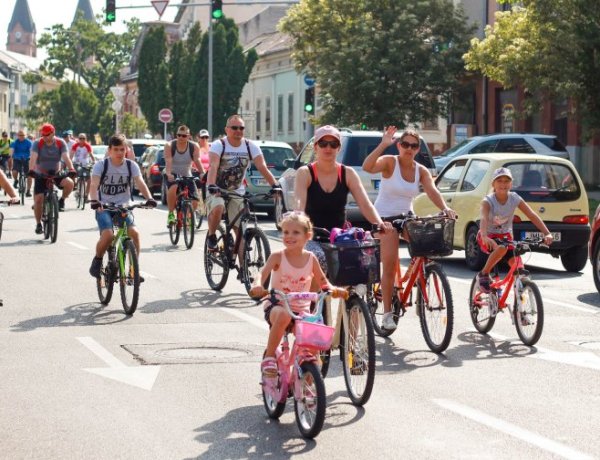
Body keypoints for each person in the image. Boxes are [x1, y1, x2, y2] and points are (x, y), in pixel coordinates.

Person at [362, 126, 457, 330]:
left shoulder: (420, 171)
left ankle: (418, 273)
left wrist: (445, 208)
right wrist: (383, 144)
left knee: (426, 244)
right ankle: (387, 314)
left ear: (418, 149)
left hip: (406, 217)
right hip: (384, 218)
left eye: (414, 146)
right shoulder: (390, 162)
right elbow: (368, 167)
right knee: (388, 263)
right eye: (405, 144)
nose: (409, 148)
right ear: (399, 145)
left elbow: (432, 190)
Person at [249, 211, 340, 383]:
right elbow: (262, 273)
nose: (289, 236)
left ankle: (306, 388)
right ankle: (269, 358)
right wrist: (258, 285)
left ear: (308, 235)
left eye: (296, 232)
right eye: (285, 232)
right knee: (282, 316)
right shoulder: (278, 256)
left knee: (314, 338)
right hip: (277, 306)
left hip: (302, 310)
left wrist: (333, 289)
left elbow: (322, 281)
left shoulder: (311, 258)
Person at [294, 125, 392, 276]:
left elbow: (365, 204)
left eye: (333, 144)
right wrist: (298, 223)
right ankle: (318, 299)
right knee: (317, 261)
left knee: (360, 263)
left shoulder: (347, 173)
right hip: (313, 236)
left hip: (341, 237)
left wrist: (379, 224)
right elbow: (299, 203)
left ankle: (349, 298)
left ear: (339, 148)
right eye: (323, 144)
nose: (328, 148)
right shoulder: (305, 173)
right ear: (315, 147)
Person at [205, 114, 279, 251]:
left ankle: (243, 272)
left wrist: (275, 186)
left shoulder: (250, 146)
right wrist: (211, 185)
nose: (238, 130)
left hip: (236, 191)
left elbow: (262, 167)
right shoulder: (219, 145)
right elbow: (213, 166)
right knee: (219, 207)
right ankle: (212, 235)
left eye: (241, 128)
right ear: (227, 129)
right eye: (234, 128)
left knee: (240, 233)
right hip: (216, 189)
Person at [88, 134, 157, 278]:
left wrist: (149, 198)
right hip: (104, 207)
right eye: (116, 149)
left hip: (124, 206)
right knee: (108, 235)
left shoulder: (131, 166)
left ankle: (133, 270)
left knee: (135, 233)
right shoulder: (101, 165)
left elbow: (140, 182)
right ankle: (98, 260)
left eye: (122, 149)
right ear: (110, 150)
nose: (119, 153)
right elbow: (94, 184)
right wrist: (95, 200)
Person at [476, 167, 553, 293]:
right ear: (493, 184)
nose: (503, 184)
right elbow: (484, 218)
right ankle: (484, 274)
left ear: (511, 184)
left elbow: (531, 215)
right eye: (499, 181)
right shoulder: (488, 201)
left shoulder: (514, 198)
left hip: (506, 237)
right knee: (502, 248)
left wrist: (547, 233)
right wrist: (484, 236)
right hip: (488, 237)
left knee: (519, 268)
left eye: (506, 181)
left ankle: (520, 306)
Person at [29, 123, 76, 234]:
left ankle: (62, 200)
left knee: (70, 183)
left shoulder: (60, 142)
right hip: (41, 174)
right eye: (43, 135)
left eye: (47, 135)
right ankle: (38, 224)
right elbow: (33, 157)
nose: (44, 137)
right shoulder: (38, 143)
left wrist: (71, 169)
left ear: (53, 133)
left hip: (56, 173)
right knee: (39, 200)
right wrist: (31, 170)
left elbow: (66, 157)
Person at [164, 125, 205, 225]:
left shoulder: (194, 146)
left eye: (184, 136)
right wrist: (169, 174)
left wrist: (202, 173)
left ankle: (187, 215)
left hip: (187, 174)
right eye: (179, 135)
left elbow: (197, 160)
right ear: (176, 135)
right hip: (172, 173)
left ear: (188, 136)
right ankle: (170, 214)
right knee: (173, 187)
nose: (181, 138)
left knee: (195, 201)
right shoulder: (169, 145)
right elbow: (168, 161)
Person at [70, 133, 95, 202]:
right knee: (76, 174)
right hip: (77, 163)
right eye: (80, 138)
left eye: (83, 138)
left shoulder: (87, 146)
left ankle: (86, 196)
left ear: (85, 139)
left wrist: (94, 162)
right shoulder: (75, 145)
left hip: (85, 164)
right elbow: (71, 155)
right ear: (78, 139)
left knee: (89, 180)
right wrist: (70, 162)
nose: (82, 140)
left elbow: (91, 155)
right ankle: (76, 188)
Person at [9, 130, 33, 197]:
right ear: (17, 136)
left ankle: (28, 191)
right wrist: (11, 156)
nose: (21, 137)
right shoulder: (14, 142)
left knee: (29, 175)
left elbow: (31, 152)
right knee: (14, 171)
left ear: (25, 135)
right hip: (17, 159)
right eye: (20, 135)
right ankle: (16, 180)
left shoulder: (29, 142)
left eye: (23, 135)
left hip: (27, 159)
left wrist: (31, 158)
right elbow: (11, 151)